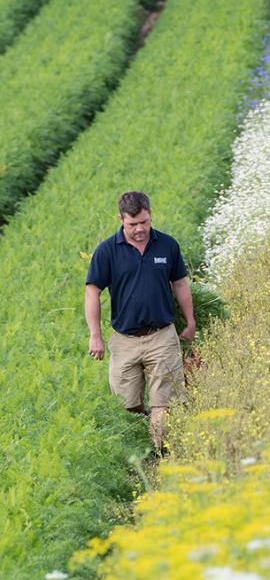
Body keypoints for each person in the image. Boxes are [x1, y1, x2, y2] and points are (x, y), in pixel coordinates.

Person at [85, 191, 195, 453]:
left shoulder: (167, 245)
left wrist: (190, 321)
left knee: (164, 402)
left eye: (144, 222)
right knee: (127, 405)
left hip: (162, 335)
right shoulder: (107, 251)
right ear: (121, 219)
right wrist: (95, 335)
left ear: (150, 215)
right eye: (132, 224)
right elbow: (92, 291)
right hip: (125, 340)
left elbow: (179, 283)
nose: (139, 229)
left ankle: (163, 455)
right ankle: (143, 438)